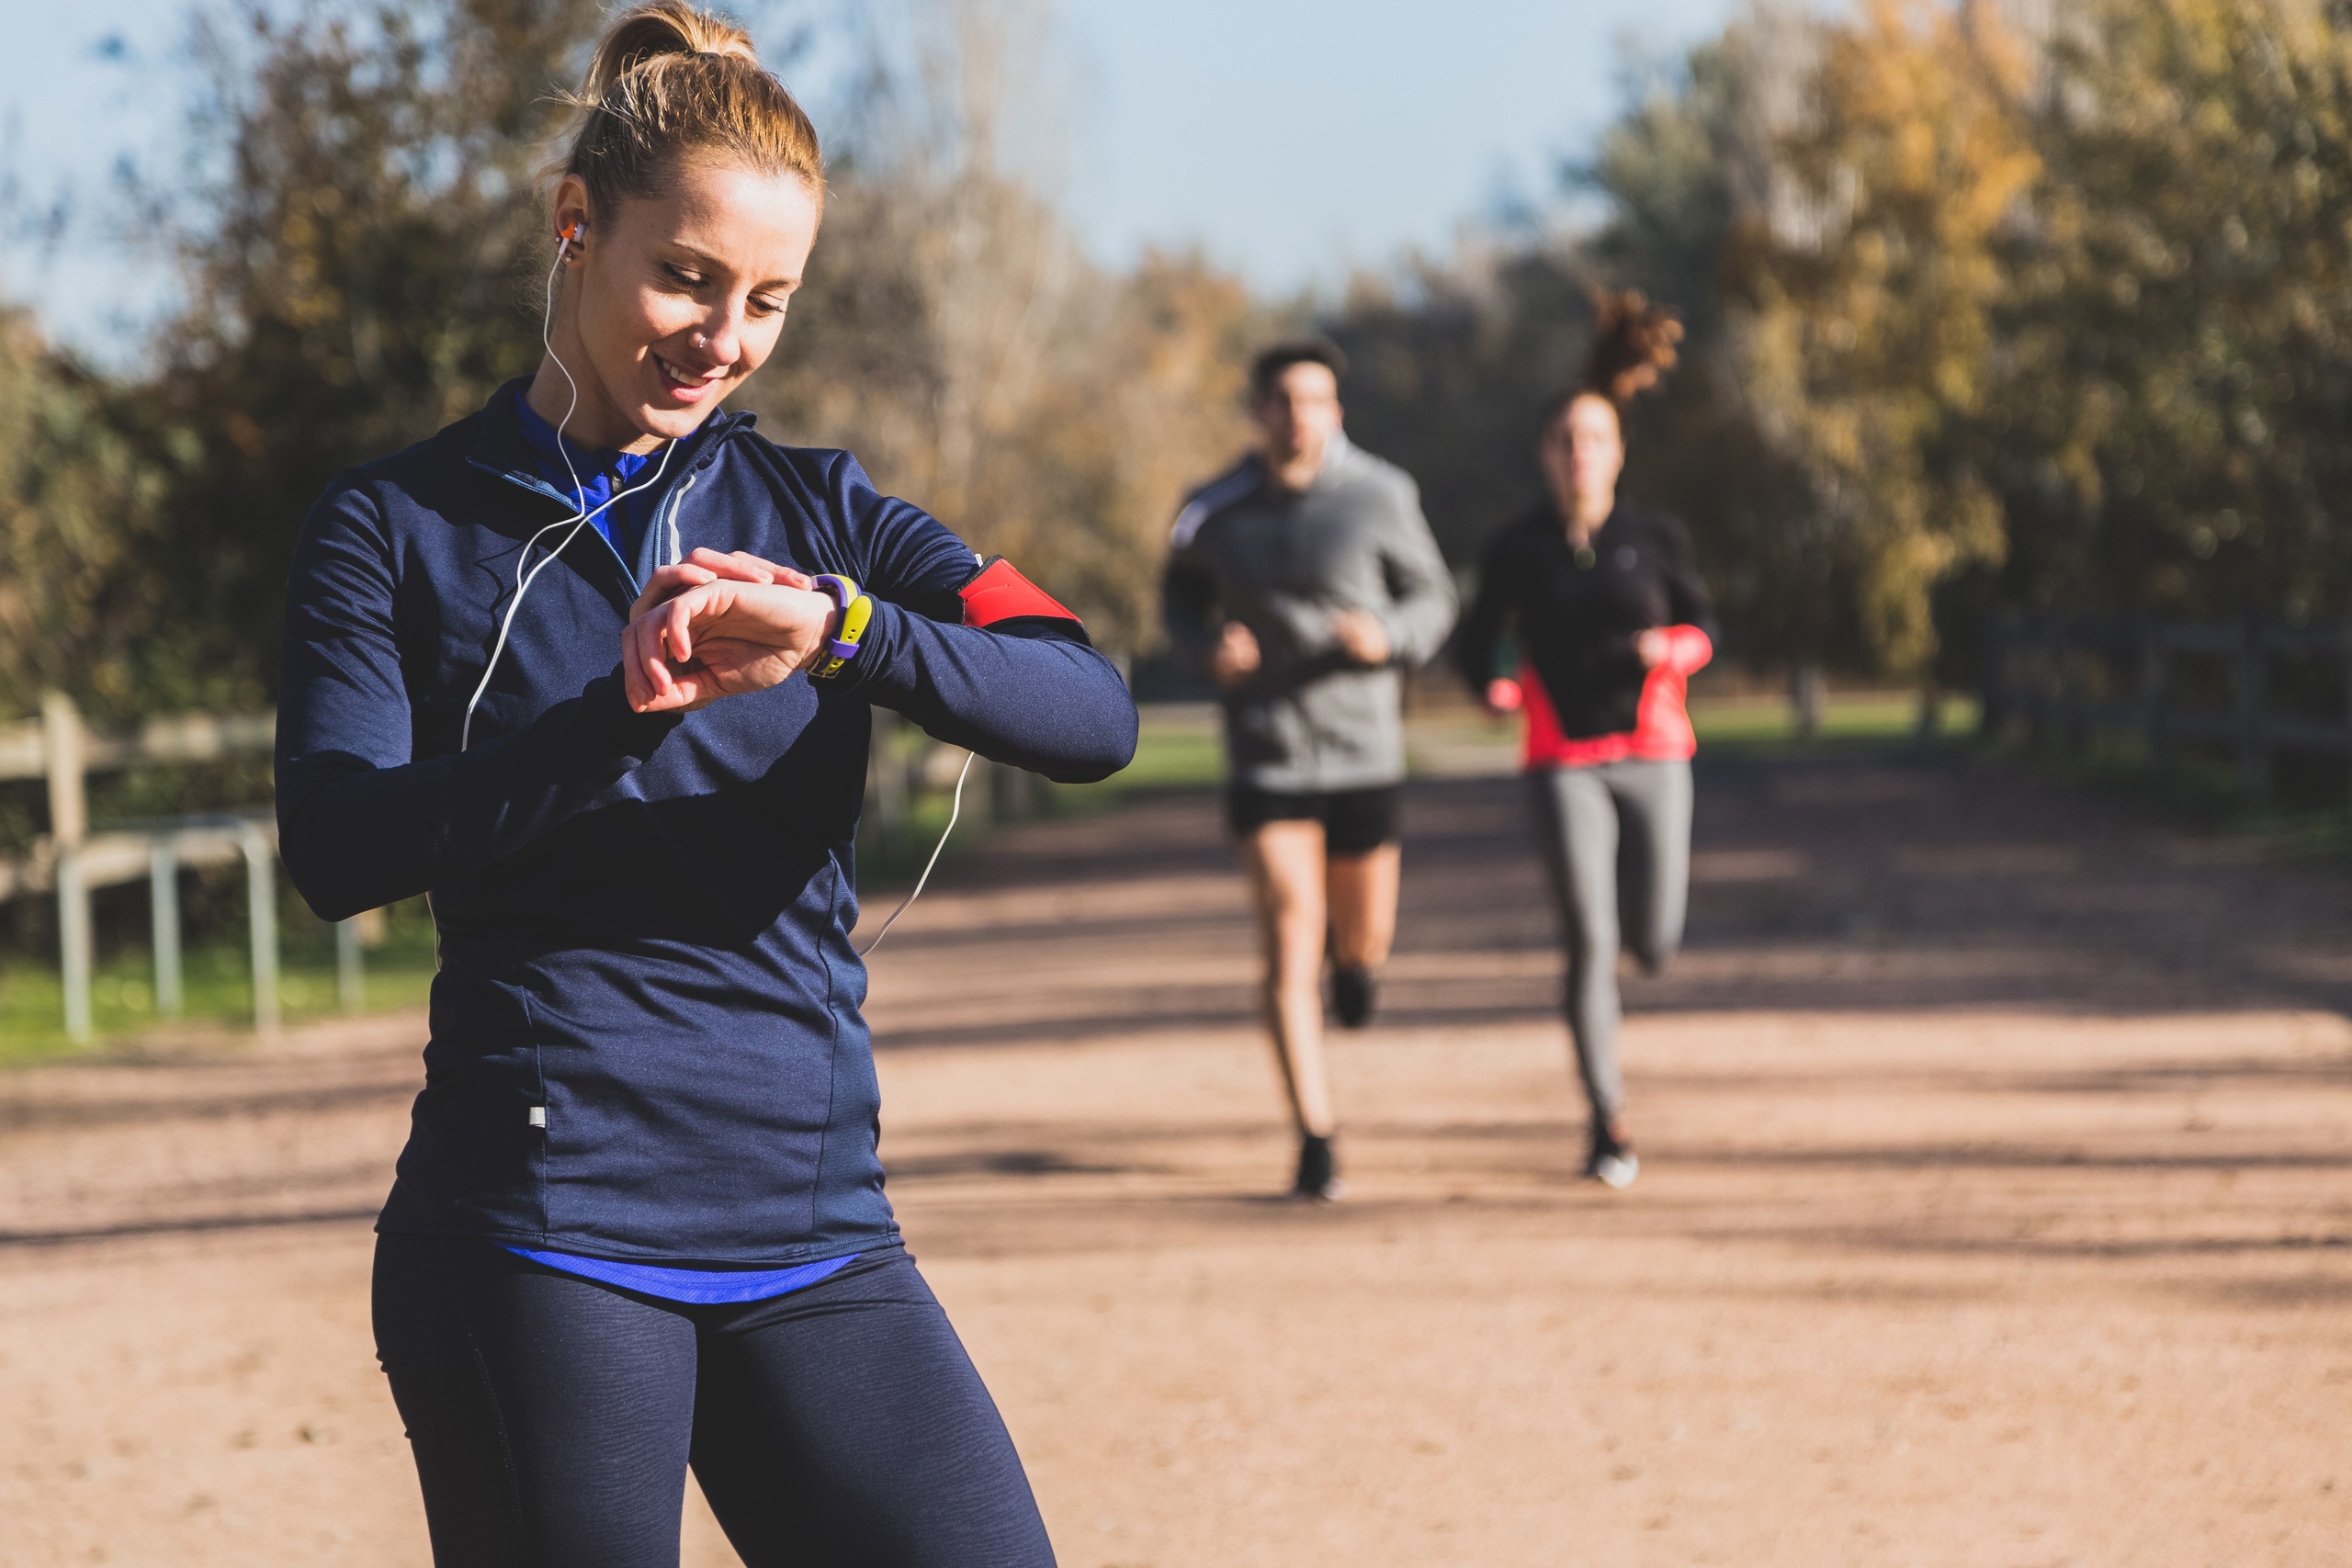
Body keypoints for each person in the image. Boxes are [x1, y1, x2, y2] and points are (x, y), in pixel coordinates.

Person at [274, 7, 1135, 1563]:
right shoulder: (394, 525)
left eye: (767, 301)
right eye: (686, 277)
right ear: (576, 225)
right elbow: (338, 843)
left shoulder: (829, 515)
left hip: (816, 1234)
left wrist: (847, 634)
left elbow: (1087, 704)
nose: (721, 337)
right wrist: (617, 714)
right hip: (541, 1236)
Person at [1162, 342, 1456, 1200]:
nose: (1301, 416)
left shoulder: (1383, 494)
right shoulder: (1211, 509)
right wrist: (1208, 644)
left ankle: (1358, 969)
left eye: (1318, 400)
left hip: (1364, 748)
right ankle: (1315, 1134)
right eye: (1285, 400)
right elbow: (1177, 599)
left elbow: (1435, 598)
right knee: (1292, 928)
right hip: (1268, 747)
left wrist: (1389, 637)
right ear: (1257, 413)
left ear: (1337, 412)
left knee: (1360, 936)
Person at [1454, 291, 1713, 1190]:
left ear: (1617, 450)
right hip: (1561, 758)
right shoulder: (1518, 548)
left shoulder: (1655, 536)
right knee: (1590, 941)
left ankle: (1642, 969)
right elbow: (1476, 635)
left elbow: (1705, 628)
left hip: (1654, 751)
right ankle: (1606, 1119)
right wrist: (1490, 680)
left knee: (1654, 939)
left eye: (1594, 439)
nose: (1579, 454)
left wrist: (1669, 649)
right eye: (1565, 441)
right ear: (1545, 455)